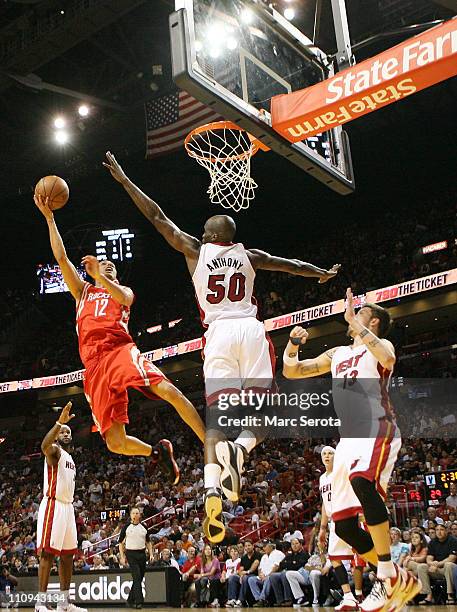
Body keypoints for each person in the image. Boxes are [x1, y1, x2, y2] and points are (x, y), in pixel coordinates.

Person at [103, 151, 340, 543]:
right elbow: (290, 263)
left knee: (216, 419)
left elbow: (157, 217)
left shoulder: (197, 251)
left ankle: (212, 487)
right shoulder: (249, 255)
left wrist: (126, 180)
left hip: (217, 335)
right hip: (250, 330)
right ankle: (242, 453)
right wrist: (319, 274)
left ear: (211, 236)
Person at [34, 193, 205, 485]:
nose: (109, 265)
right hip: (94, 368)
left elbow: (121, 294)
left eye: (112, 266)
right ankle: (157, 452)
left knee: (170, 392)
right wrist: (50, 218)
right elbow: (61, 258)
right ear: (93, 270)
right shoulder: (83, 292)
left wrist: (102, 277)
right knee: (114, 442)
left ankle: (211, 445)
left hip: (118, 351)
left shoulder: (123, 292)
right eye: (104, 264)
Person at [282, 289, 421, 611]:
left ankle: (386, 575)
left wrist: (356, 325)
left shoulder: (380, 346)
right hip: (347, 439)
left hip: (376, 425)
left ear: (371, 321)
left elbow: (387, 358)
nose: (352, 315)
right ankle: (397, 577)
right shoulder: (338, 354)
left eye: (359, 313)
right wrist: (292, 344)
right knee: (343, 525)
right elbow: (292, 370)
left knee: (363, 481)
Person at [35, 402, 86, 612]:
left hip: (68, 508)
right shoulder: (54, 451)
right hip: (53, 505)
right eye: (62, 432)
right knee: (47, 554)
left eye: (68, 431)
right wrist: (59, 423)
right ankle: (40, 603)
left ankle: (64, 602)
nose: (65, 433)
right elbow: (43, 447)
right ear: (57, 436)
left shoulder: (71, 459)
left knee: (67, 555)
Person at [318, 446, 363, 610]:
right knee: (335, 558)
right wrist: (323, 528)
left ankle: (386, 586)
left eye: (330, 453)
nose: (327, 456)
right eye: (324, 454)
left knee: (363, 555)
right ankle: (349, 596)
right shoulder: (322, 478)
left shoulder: (342, 471)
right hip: (334, 521)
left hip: (348, 515)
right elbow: (324, 503)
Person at [118, 506, 154, 609]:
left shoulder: (144, 527)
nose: (135, 515)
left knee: (139, 578)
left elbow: (148, 542)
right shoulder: (126, 527)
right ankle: (139, 601)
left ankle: (130, 600)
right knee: (137, 576)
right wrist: (122, 556)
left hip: (142, 554)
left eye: (137, 513)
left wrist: (151, 554)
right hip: (131, 554)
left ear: (140, 515)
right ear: (130, 515)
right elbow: (120, 543)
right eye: (133, 513)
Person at [415, 523, 457, 604]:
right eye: (437, 530)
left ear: (447, 531)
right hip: (437, 569)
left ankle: (450, 595)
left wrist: (437, 564)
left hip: (450, 569)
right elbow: (429, 558)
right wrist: (432, 564)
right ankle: (429, 596)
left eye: (441, 530)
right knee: (422, 566)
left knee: (448, 565)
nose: (439, 532)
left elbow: (452, 558)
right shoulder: (432, 542)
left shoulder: (453, 540)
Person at [269, 538, 309, 606]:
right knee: (273, 576)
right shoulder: (289, 555)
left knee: (285, 574)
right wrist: (292, 563)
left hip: (299, 574)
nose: (294, 546)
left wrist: (289, 564)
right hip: (288, 572)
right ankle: (280, 600)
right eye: (293, 544)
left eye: (296, 543)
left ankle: (288, 599)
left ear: (301, 544)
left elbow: (299, 565)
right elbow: (281, 564)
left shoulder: (305, 554)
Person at [247, 541, 285, 606]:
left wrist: (267, 576)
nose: (263, 548)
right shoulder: (264, 556)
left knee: (269, 578)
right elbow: (259, 568)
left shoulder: (278, 553)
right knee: (251, 579)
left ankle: (262, 599)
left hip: (273, 577)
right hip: (263, 577)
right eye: (263, 546)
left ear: (271, 546)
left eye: (265, 546)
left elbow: (276, 567)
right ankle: (259, 599)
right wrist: (260, 575)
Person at [227, 539, 262, 607]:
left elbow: (255, 564)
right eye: (246, 546)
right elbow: (240, 569)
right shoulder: (243, 557)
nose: (247, 547)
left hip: (254, 575)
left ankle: (241, 600)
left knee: (245, 578)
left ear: (253, 546)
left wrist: (246, 572)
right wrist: (240, 575)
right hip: (244, 576)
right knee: (233, 577)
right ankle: (232, 599)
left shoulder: (258, 554)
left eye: (249, 545)